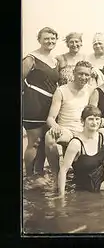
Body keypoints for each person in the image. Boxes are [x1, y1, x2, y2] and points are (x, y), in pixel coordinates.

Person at [44, 60, 97, 173]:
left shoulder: (91, 91)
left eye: (87, 74)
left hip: (83, 130)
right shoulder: (61, 90)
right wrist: (55, 126)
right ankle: (55, 174)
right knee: (49, 138)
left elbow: (93, 114)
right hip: (65, 130)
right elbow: (50, 118)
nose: (83, 77)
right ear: (74, 73)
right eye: (80, 73)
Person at [22, 27, 60, 176]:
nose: (49, 41)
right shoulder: (31, 58)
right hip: (33, 104)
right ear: (39, 40)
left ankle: (40, 172)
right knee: (34, 142)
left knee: (44, 141)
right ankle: (29, 176)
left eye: (52, 38)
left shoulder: (55, 61)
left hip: (49, 105)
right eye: (46, 39)